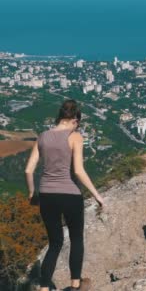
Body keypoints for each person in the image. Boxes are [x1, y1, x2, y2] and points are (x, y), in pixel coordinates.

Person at [24, 99, 105, 291]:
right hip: (70, 195)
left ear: (60, 117)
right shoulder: (75, 136)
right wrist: (97, 195)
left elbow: (28, 170)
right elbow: (78, 171)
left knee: (54, 243)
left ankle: (44, 287)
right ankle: (75, 286)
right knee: (76, 239)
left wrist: (32, 194)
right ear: (75, 119)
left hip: (46, 195)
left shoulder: (42, 136)